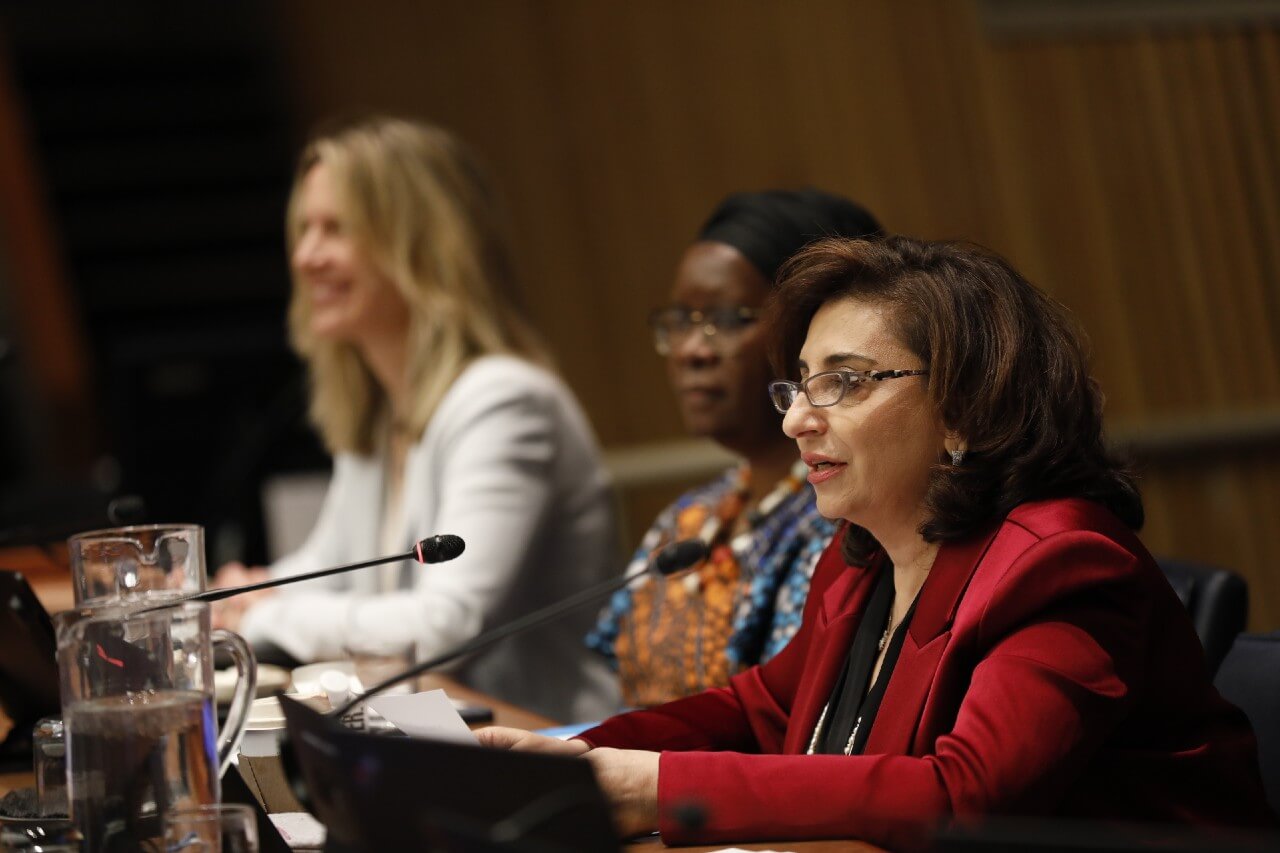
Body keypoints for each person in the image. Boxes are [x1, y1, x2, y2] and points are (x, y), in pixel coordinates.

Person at [479, 235, 1275, 846]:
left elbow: (964, 799)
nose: (797, 418)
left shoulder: (1063, 564)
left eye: (845, 382)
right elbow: (754, 711)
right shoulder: (865, 557)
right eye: (798, 383)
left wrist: (656, 787)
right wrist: (572, 759)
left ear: (967, 405)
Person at [214, 117, 618, 722]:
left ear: (421, 245)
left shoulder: (504, 401)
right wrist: (239, 593)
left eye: (335, 229)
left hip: (550, 745)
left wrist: (265, 613)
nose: (306, 256)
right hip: (437, 739)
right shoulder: (382, 413)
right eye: (303, 230)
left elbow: (442, 626)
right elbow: (334, 567)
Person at [587, 190, 882, 707]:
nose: (693, 350)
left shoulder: (851, 523)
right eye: (680, 321)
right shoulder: (684, 520)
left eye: (728, 320)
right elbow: (618, 707)